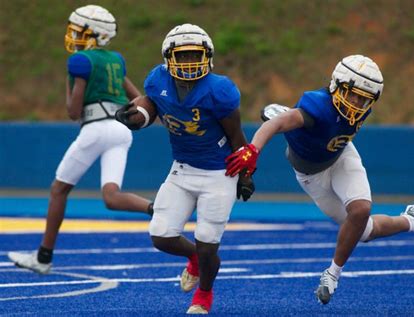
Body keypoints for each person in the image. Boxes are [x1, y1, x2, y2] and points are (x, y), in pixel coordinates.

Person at [225, 54, 414, 305]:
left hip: (342, 156)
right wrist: (252, 150)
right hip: (311, 175)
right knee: (365, 232)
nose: (357, 102)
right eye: (353, 94)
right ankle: (412, 221)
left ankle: (332, 275)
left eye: (364, 98)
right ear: (336, 85)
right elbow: (275, 124)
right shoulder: (316, 107)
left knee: (361, 210)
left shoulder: (358, 109)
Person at [115, 23, 254, 314]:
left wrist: (246, 174)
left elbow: (236, 136)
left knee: (208, 244)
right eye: (183, 56)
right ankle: (195, 259)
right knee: (161, 236)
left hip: (220, 173)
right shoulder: (158, 79)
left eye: (195, 55)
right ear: (169, 57)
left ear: (207, 56)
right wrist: (136, 116)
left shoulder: (219, 90)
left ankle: (203, 294)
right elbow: (150, 107)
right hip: (182, 168)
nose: (190, 62)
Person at [8, 5, 153, 275]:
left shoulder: (80, 62)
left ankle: (43, 257)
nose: (72, 35)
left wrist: (71, 79)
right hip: (121, 132)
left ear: (93, 34)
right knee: (111, 197)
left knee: (59, 189)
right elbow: (139, 98)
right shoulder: (116, 59)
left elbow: (74, 112)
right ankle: (158, 209)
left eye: (77, 31)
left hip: (95, 129)